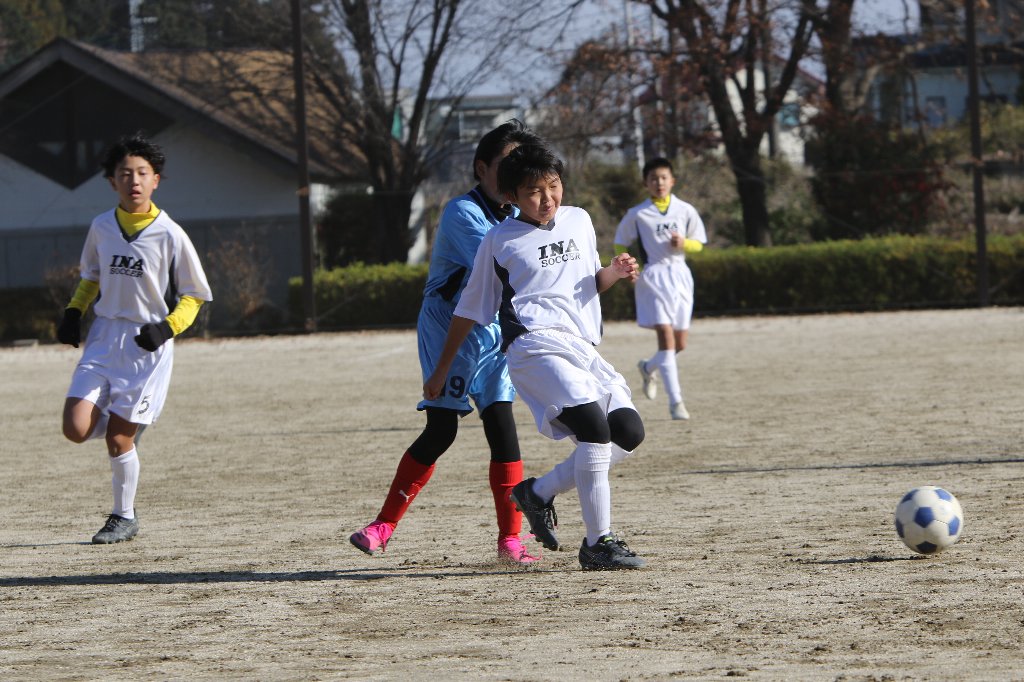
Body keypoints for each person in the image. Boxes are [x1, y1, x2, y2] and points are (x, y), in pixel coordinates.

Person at [424, 143, 648, 571]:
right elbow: (470, 308)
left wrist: (614, 273)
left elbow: (588, 282)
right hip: (533, 347)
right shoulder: (499, 240)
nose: (547, 199)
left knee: (627, 431)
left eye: (554, 185)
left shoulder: (579, 219)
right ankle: (598, 543)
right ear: (511, 196)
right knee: (593, 428)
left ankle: (537, 493)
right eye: (533, 191)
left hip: (580, 346)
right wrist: (442, 368)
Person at [349, 120, 544, 565]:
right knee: (442, 430)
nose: (514, 174)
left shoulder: (520, 217)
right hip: (448, 330)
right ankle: (383, 525)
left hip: (493, 333)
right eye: (506, 165)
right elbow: (507, 265)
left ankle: (511, 541)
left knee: (502, 429)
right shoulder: (463, 213)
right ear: (481, 168)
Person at [57, 133, 213, 544]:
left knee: (118, 438)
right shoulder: (101, 227)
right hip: (105, 336)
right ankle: (125, 426)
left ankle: (123, 516)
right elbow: (91, 276)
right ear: (112, 181)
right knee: (74, 427)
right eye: (125, 174)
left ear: (156, 180)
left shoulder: (170, 233)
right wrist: (74, 311)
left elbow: (195, 295)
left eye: (143, 173)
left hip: (147, 344)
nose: (134, 181)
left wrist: (166, 328)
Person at [613, 157, 707, 421]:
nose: (659, 182)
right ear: (646, 183)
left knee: (679, 344)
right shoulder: (637, 213)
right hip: (653, 277)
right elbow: (620, 242)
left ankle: (648, 367)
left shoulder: (685, 210)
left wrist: (684, 243)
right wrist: (628, 268)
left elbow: (699, 243)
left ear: (672, 180)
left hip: (680, 276)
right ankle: (676, 402)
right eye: (653, 178)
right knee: (666, 339)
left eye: (664, 177)